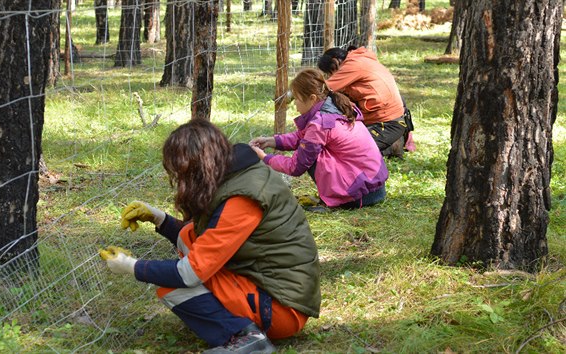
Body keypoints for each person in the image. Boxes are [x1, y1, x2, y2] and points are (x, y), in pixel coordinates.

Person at [101, 119, 321, 353]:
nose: (180, 181)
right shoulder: (239, 174)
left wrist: (130, 266)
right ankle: (239, 325)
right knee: (188, 235)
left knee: (172, 286)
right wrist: (159, 219)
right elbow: (204, 239)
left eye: (181, 173)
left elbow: (190, 273)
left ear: (196, 167)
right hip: (273, 286)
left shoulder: (242, 199)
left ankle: (246, 338)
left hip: (281, 308)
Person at [250, 68, 388, 210]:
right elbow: (303, 136)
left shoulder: (320, 123)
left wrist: (264, 158)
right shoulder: (335, 107)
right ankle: (339, 195)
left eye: (296, 99)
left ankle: (340, 200)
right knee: (310, 148)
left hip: (359, 195)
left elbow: (296, 166)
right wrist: (271, 141)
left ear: (312, 98)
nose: (295, 105)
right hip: (374, 187)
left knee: (311, 154)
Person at [318, 46, 415, 158]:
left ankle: (390, 146)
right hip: (391, 118)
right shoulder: (361, 59)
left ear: (335, 62)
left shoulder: (352, 65)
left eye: (331, 73)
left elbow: (323, 89)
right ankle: (392, 143)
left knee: (345, 151)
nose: (332, 77)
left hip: (386, 123)